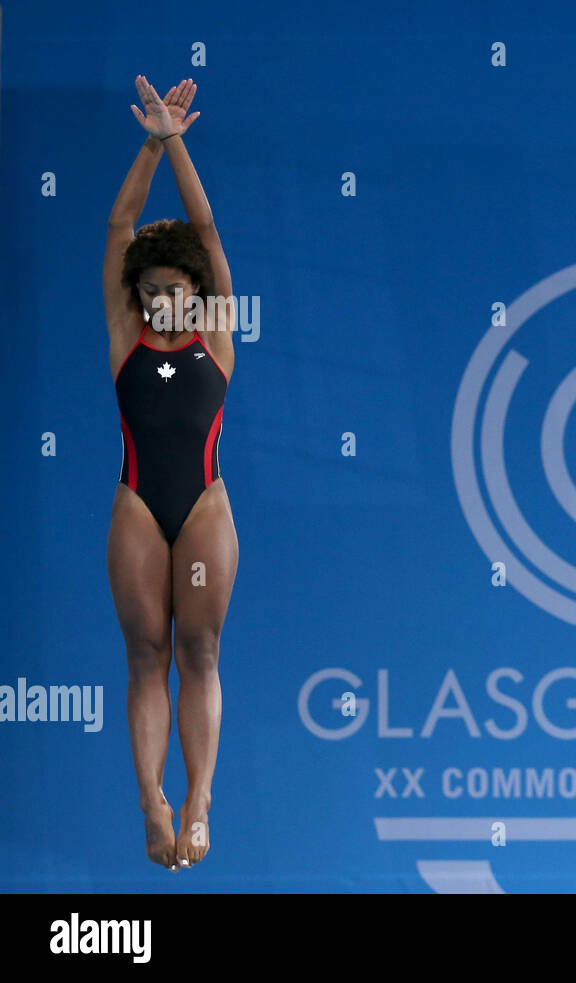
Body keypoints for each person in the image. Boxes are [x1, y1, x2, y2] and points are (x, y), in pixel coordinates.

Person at [104, 75, 237, 871]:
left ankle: (199, 802)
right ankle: (153, 802)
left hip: (203, 510)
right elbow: (122, 223)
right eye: (149, 293)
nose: (159, 304)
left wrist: (176, 142)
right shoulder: (124, 333)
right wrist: (147, 144)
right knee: (145, 651)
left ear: (198, 295)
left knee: (200, 653)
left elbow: (209, 229)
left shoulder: (217, 336)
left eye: (174, 293)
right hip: (137, 507)